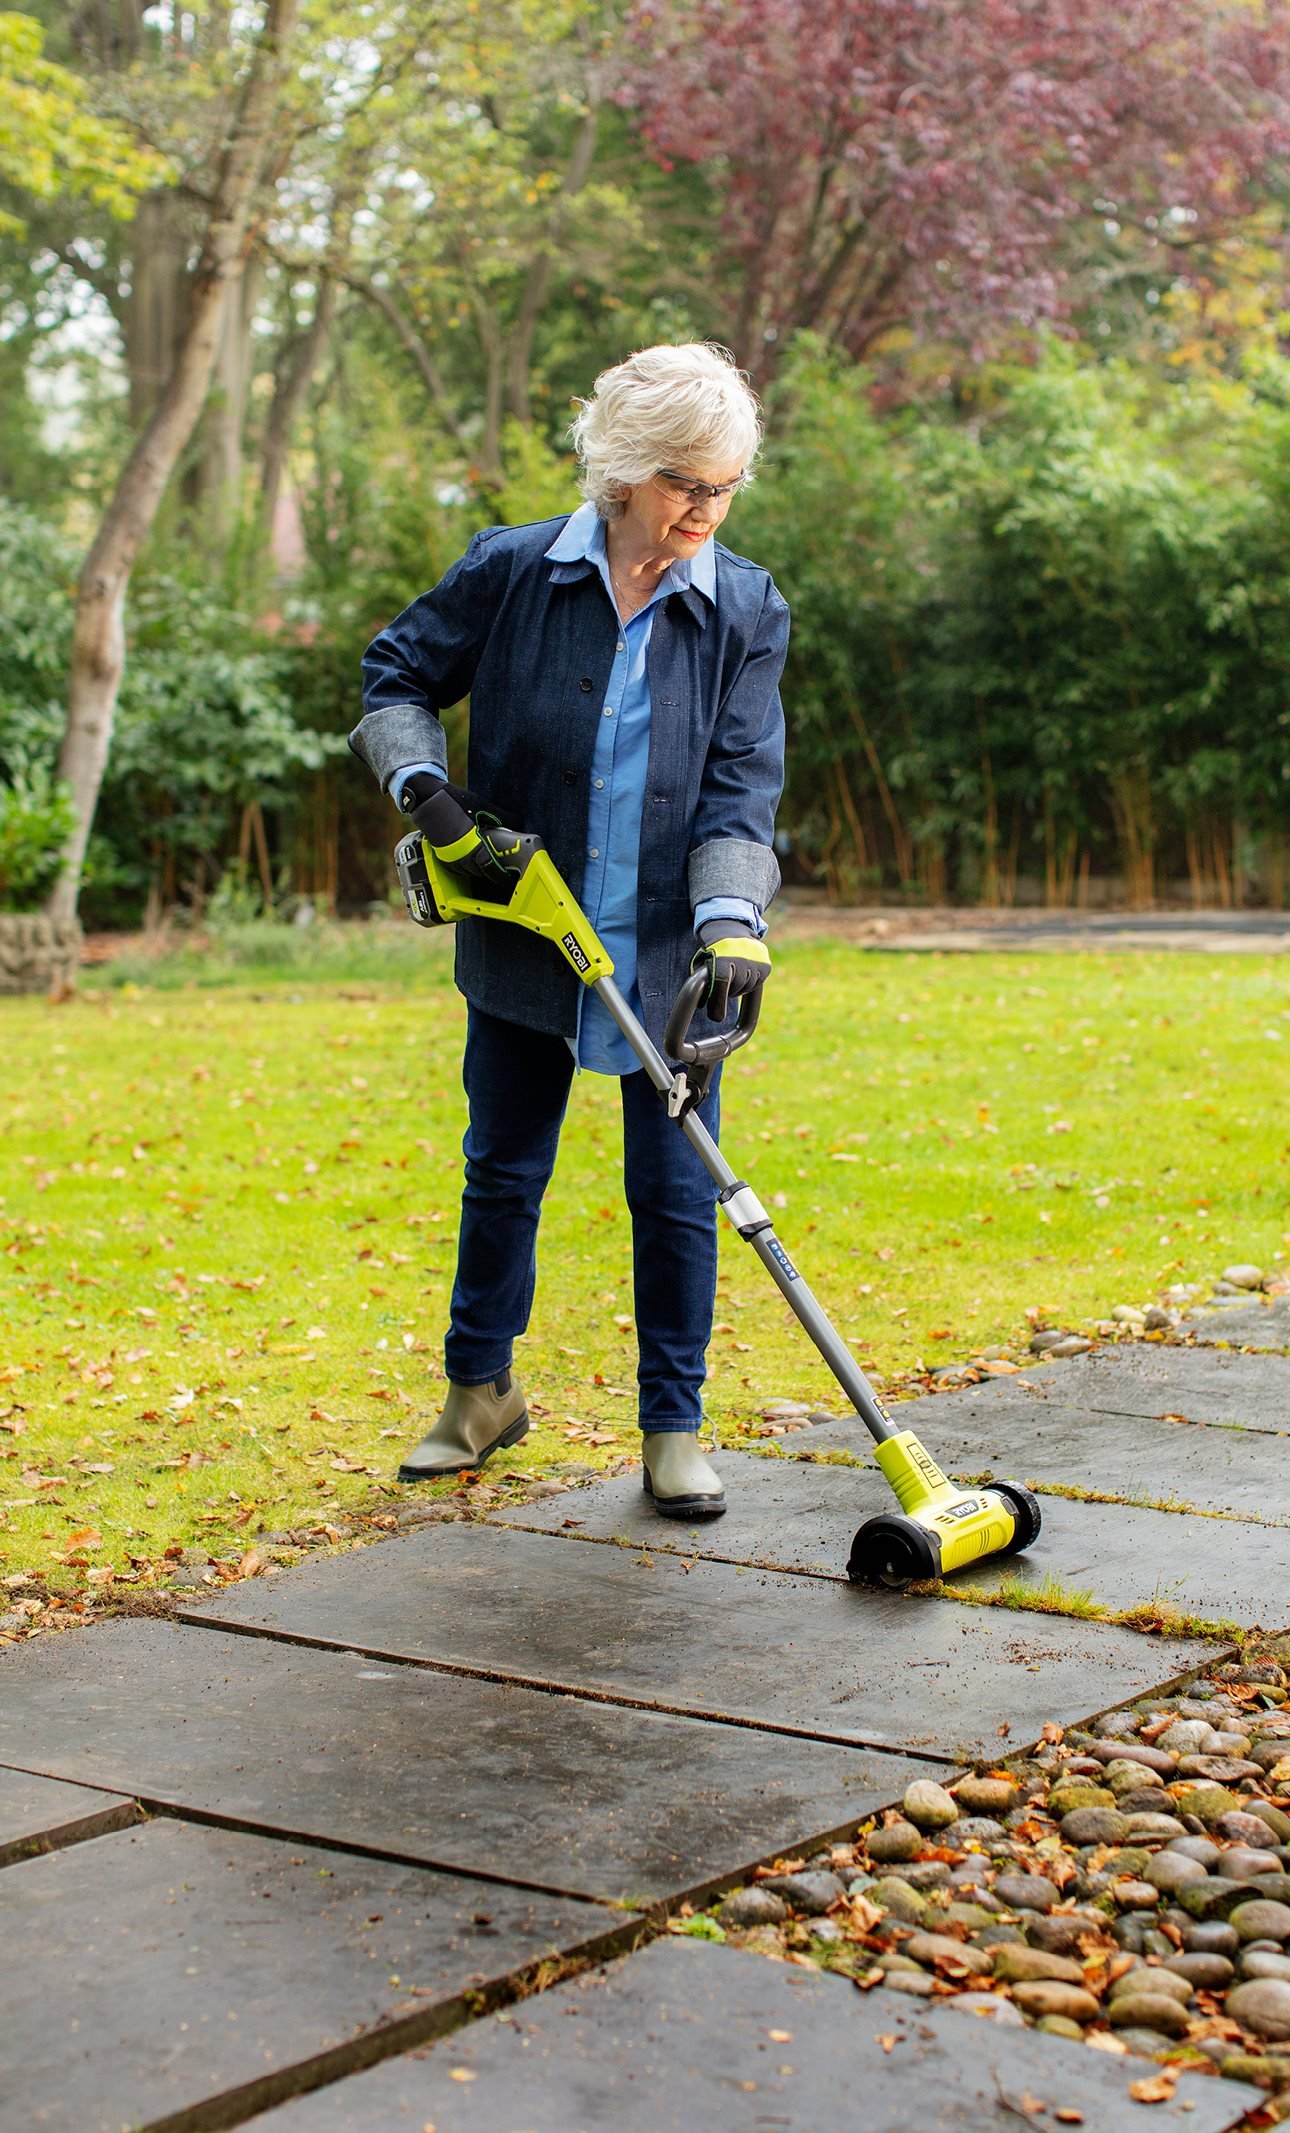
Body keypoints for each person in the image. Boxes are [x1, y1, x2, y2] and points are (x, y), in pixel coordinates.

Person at [350, 343, 787, 1519]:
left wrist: (732, 923)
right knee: (503, 1169)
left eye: (726, 486)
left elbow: (741, 788)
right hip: (522, 925)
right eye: (687, 483)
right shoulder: (513, 571)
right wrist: (429, 799)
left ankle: (673, 1427)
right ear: (627, 472)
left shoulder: (746, 608)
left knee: (676, 1190)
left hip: (669, 954)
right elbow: (394, 678)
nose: (707, 509)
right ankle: (479, 1392)